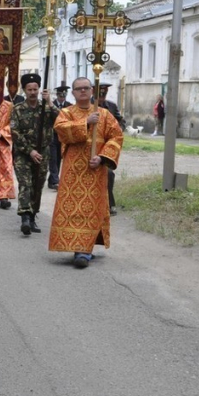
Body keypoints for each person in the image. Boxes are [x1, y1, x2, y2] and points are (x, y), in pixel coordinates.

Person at [49, 77, 124, 268]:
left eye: (86, 88)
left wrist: (102, 157)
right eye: (78, 89)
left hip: (95, 169)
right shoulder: (66, 113)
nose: (83, 91)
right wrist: (86, 122)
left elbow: (116, 136)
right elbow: (61, 130)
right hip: (73, 171)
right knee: (74, 208)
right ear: (73, 93)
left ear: (92, 91)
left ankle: (85, 249)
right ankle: (77, 246)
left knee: (91, 208)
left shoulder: (105, 114)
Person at [11, 73, 59, 235]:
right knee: (25, 184)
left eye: (35, 89)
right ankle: (24, 216)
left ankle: (32, 216)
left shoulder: (45, 108)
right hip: (23, 154)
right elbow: (15, 132)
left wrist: (49, 102)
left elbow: (61, 120)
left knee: (38, 186)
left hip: (43, 153)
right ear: (24, 90)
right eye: (29, 89)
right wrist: (30, 151)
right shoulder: (18, 109)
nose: (32, 92)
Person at [97, 82, 125, 216]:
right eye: (99, 94)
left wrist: (118, 131)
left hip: (107, 146)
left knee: (108, 173)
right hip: (91, 146)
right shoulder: (88, 106)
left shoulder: (111, 106)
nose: (102, 97)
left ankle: (110, 203)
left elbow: (121, 121)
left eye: (104, 94)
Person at [48, 85, 72, 189]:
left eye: (64, 96)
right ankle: (55, 180)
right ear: (57, 95)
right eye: (60, 95)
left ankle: (51, 180)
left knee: (58, 158)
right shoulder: (50, 105)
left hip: (63, 136)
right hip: (52, 135)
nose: (62, 98)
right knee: (53, 158)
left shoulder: (69, 106)